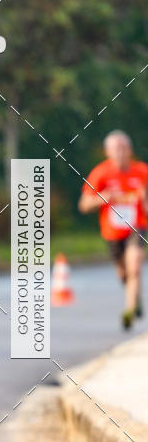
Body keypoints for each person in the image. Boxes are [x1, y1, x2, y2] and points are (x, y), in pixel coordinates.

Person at [79, 130, 148, 329]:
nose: (120, 153)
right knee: (123, 272)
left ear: (130, 150)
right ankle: (135, 298)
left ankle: (129, 310)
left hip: (136, 227)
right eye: (116, 149)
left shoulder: (142, 171)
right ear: (107, 152)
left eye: (124, 148)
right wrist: (102, 197)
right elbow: (84, 205)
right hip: (112, 232)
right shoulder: (101, 173)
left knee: (134, 266)